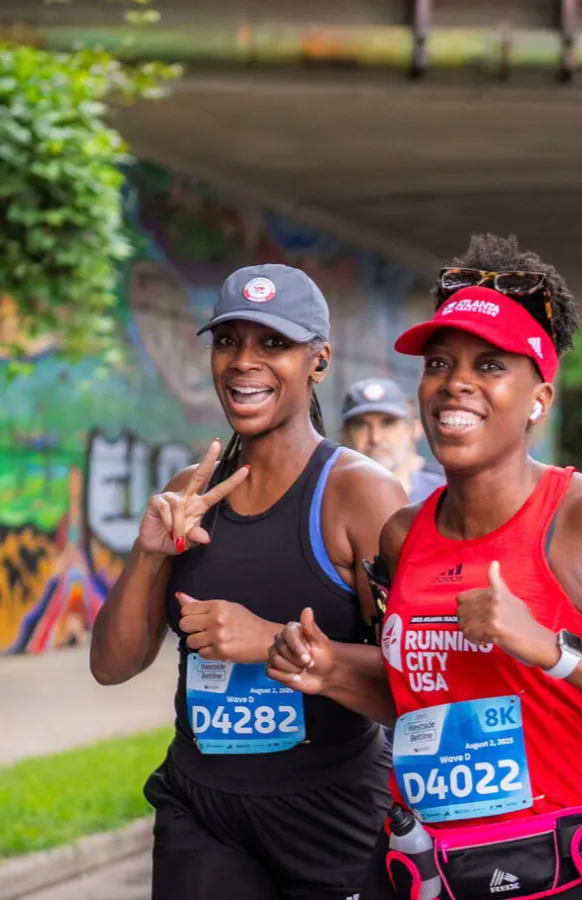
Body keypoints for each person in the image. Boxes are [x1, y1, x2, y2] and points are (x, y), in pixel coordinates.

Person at [266, 234, 582, 899]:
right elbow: (427, 705)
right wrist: (332, 669)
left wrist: (553, 651)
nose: (455, 382)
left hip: (576, 877)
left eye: (490, 366)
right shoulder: (403, 534)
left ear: (539, 399)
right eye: (439, 363)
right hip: (430, 874)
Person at [89, 263, 409, 899]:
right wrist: (151, 554)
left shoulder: (360, 495)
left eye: (274, 344)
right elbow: (112, 666)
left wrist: (275, 643)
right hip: (202, 809)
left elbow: (417, 683)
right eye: (229, 340)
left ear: (318, 361)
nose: (244, 362)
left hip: (331, 812)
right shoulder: (189, 492)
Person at [340, 376, 448, 502]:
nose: (375, 438)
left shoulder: (446, 495)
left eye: (388, 423)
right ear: (345, 435)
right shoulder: (327, 501)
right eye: (360, 425)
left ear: (413, 430)